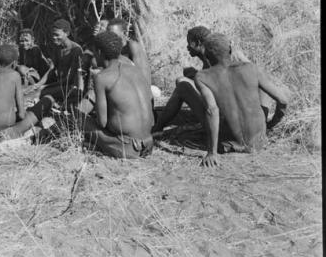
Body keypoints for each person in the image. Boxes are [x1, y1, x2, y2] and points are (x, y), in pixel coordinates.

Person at [159, 33, 290, 167]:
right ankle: (261, 129)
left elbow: (212, 110)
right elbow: (283, 100)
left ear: (207, 54)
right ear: (230, 50)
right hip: (259, 142)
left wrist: (212, 152)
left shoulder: (203, 77)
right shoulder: (250, 68)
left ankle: (156, 129)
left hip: (228, 144)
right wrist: (271, 124)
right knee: (262, 87)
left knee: (183, 86)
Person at [82, 31, 155, 159]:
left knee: (80, 119)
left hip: (127, 148)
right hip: (148, 144)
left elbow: (102, 122)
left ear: (99, 52)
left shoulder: (102, 77)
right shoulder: (135, 69)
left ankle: (96, 145)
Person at [176, 25, 274, 120]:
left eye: (189, 43)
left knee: (181, 81)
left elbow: (254, 74)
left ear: (198, 43)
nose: (187, 47)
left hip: (242, 110)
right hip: (238, 109)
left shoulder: (222, 55)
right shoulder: (210, 58)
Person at [0, 44, 54, 140]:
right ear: (14, 63)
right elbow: (21, 115)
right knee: (48, 100)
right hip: (4, 135)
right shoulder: (14, 75)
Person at [39, 19, 84, 109]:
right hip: (59, 84)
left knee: (41, 93)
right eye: (52, 35)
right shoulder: (58, 47)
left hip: (71, 87)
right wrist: (38, 84)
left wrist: (45, 87)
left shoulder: (76, 50)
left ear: (66, 33)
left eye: (57, 35)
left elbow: (70, 79)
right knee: (34, 90)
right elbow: (52, 69)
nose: (54, 37)